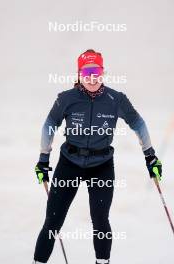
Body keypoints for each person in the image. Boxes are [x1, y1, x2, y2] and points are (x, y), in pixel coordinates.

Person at [33, 49, 162, 264]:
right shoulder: (66, 98)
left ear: (103, 72)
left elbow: (138, 124)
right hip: (69, 163)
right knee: (53, 221)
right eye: (86, 72)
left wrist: (150, 156)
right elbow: (49, 125)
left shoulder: (116, 99)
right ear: (79, 74)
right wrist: (43, 159)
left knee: (100, 220)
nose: (92, 77)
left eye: (96, 71)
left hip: (101, 164)